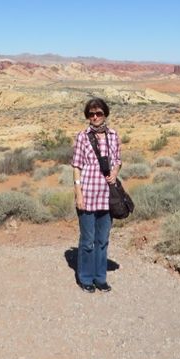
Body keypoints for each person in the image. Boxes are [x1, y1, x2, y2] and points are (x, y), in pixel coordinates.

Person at [71, 97, 121, 292]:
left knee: (103, 240)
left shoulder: (114, 135)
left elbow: (117, 160)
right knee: (87, 240)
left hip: (107, 196)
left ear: (105, 114)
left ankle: (100, 278)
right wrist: (78, 194)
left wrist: (115, 172)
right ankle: (85, 277)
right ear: (87, 116)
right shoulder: (82, 136)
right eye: (91, 114)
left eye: (99, 113)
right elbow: (76, 166)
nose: (95, 117)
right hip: (88, 194)